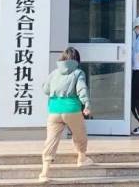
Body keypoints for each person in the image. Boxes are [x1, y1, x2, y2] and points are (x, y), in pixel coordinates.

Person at [40, 47, 93, 182]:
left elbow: (45, 89)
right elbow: (81, 89)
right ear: (77, 60)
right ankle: (81, 158)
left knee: (51, 140)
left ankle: (44, 173)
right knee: (79, 133)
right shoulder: (78, 72)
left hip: (54, 110)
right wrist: (86, 104)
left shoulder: (54, 73)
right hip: (72, 109)